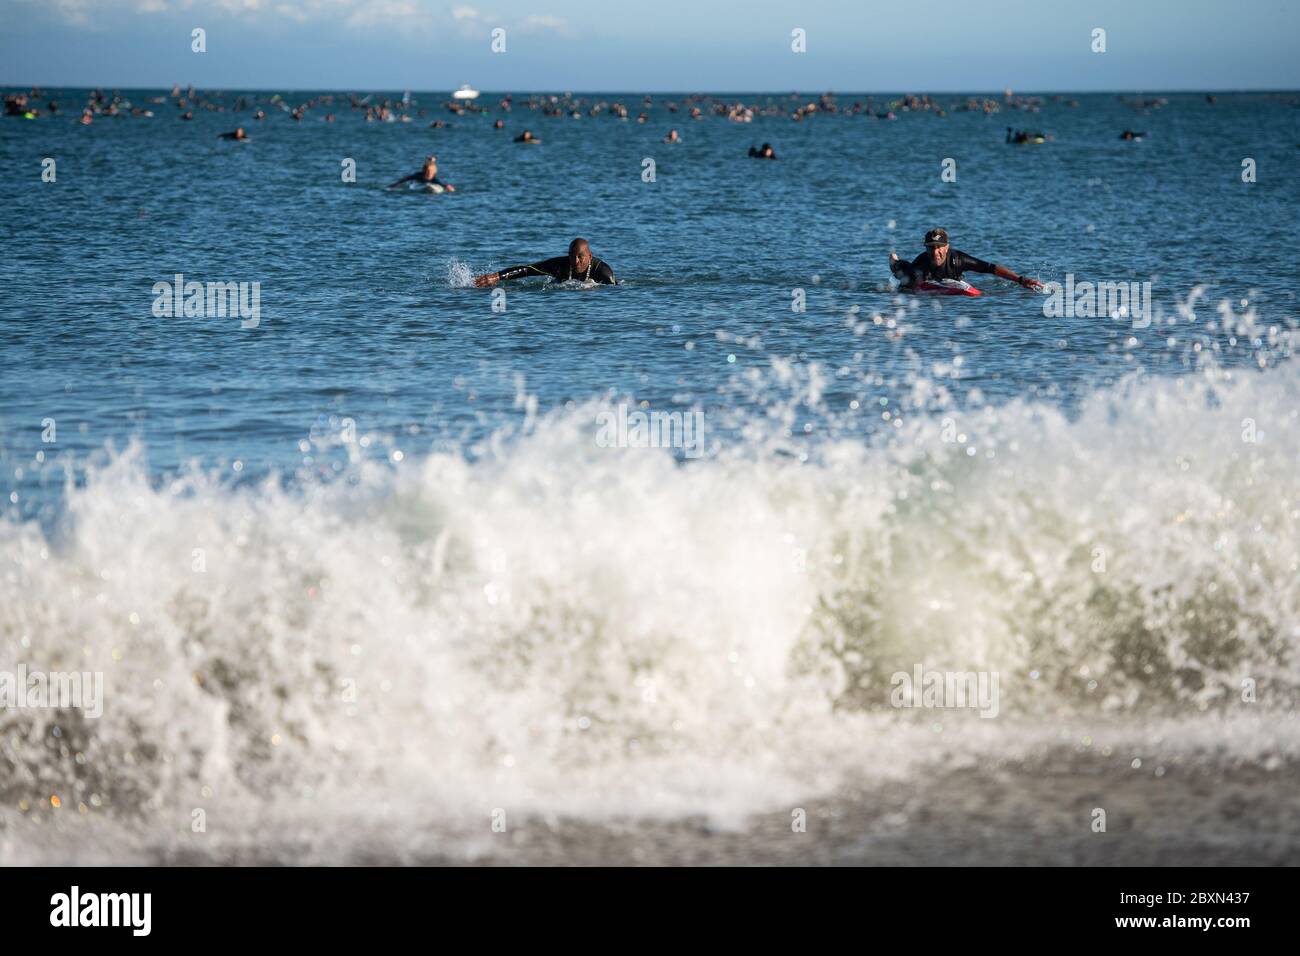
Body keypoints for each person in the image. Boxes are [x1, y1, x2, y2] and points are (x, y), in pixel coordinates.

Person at [890, 228, 1042, 290]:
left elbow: (991, 268)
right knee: (901, 272)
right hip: (916, 274)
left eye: (939, 247)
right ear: (926, 248)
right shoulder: (919, 266)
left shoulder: (958, 259)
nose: (935, 252)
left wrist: (1021, 280)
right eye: (931, 247)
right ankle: (894, 261)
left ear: (946, 247)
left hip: (949, 280)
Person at [474, 238, 615, 287]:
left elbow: (616, 294)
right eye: (572, 256)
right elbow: (527, 270)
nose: (576, 261)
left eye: (580, 256)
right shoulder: (560, 265)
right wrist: (496, 277)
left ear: (590, 256)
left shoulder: (603, 271)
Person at [387, 155, 455, 191]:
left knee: (409, 177)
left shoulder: (428, 165)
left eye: (429, 159)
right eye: (429, 159)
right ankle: (394, 185)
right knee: (409, 177)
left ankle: (394, 185)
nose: (428, 159)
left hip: (426, 179)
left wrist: (421, 180)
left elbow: (425, 172)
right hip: (430, 178)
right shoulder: (434, 166)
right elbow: (430, 173)